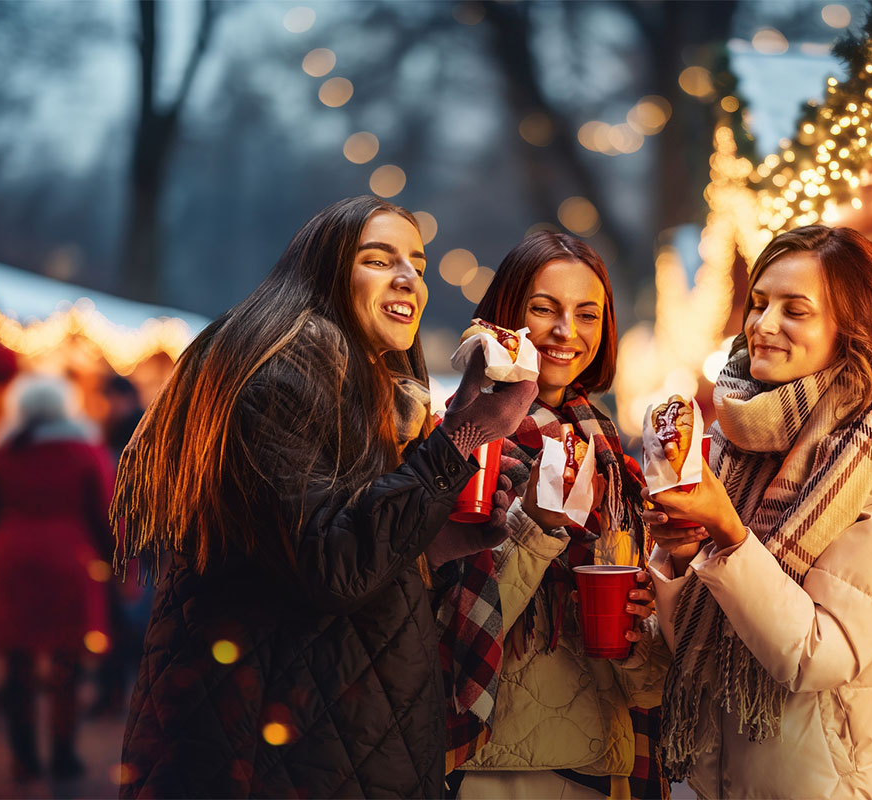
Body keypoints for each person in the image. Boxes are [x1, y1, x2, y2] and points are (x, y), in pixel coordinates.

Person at [115, 196, 537, 798]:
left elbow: (336, 545)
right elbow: (335, 565)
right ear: (325, 272)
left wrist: (437, 540)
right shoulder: (283, 377)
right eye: (378, 259)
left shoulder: (366, 395)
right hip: (280, 749)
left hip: (328, 733)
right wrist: (462, 436)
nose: (409, 279)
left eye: (417, 263)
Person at [645, 225, 872, 799]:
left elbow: (817, 656)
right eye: (758, 304)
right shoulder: (740, 444)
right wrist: (681, 555)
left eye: (794, 310)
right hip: (725, 782)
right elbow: (703, 644)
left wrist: (728, 533)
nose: (763, 325)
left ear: (852, 330)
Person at [438, 231, 670, 800]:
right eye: (544, 309)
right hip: (509, 770)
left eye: (587, 314)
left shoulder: (612, 457)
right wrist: (536, 526)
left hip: (613, 761)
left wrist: (646, 620)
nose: (567, 332)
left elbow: (646, 685)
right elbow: (446, 626)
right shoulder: (462, 440)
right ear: (505, 318)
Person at [0, 373, 114, 783]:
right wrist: (114, 562)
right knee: (66, 662)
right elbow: (103, 512)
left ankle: (23, 755)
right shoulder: (85, 449)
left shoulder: (4, 449)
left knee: (17, 662)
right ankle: (63, 751)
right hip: (67, 560)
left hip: (12, 558)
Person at [89, 375, 147, 717]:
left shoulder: (134, 429)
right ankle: (115, 691)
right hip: (125, 532)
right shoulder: (117, 429)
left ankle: (118, 692)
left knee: (126, 614)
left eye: (109, 398)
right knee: (121, 615)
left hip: (131, 533)